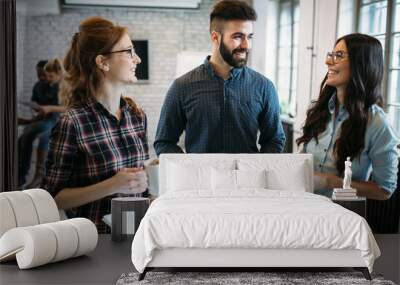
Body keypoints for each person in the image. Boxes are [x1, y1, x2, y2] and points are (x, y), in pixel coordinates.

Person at [41, 16, 149, 233]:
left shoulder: (137, 116)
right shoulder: (73, 122)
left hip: (136, 239)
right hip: (93, 244)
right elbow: (50, 199)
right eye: (128, 51)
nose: (137, 59)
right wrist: (112, 185)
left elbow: (139, 187)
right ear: (103, 62)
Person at [154, 0, 285, 155]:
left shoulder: (264, 87)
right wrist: (188, 169)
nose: (246, 45)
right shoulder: (182, 87)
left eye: (249, 37)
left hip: (246, 178)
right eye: (238, 36)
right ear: (215, 37)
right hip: (199, 179)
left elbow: (274, 140)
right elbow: (164, 142)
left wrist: (256, 170)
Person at [297, 33, 399, 200]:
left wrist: (330, 182)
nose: (328, 61)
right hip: (305, 207)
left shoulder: (378, 123)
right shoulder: (319, 109)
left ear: (362, 65)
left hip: (342, 217)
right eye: (331, 54)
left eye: (339, 56)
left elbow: (384, 190)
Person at [18, 59, 62, 188]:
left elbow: (68, 107)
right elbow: (35, 104)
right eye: (40, 75)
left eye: (46, 75)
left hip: (55, 120)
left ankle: (39, 175)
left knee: (43, 136)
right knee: (25, 135)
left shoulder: (61, 86)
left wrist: (49, 108)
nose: (43, 78)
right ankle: (20, 175)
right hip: (43, 118)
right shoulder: (39, 86)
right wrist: (35, 113)